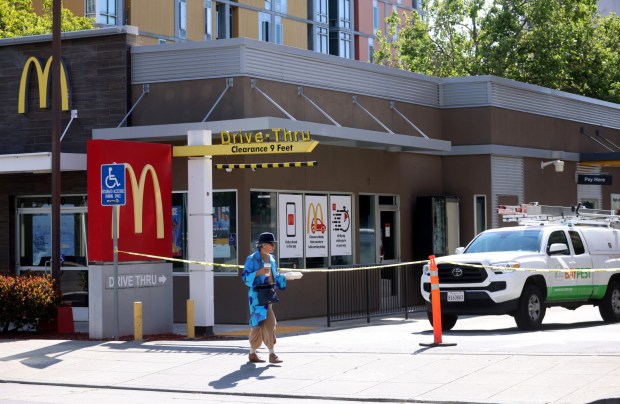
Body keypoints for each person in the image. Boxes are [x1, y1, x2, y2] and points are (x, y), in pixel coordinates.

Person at [242, 232, 286, 364]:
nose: (273, 246)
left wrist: (284, 277)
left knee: (263, 324)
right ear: (263, 245)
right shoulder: (252, 259)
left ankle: (254, 353)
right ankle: (269, 354)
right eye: (271, 244)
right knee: (263, 323)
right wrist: (258, 273)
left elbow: (275, 275)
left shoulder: (271, 259)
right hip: (256, 297)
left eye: (274, 244)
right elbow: (245, 278)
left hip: (268, 295)